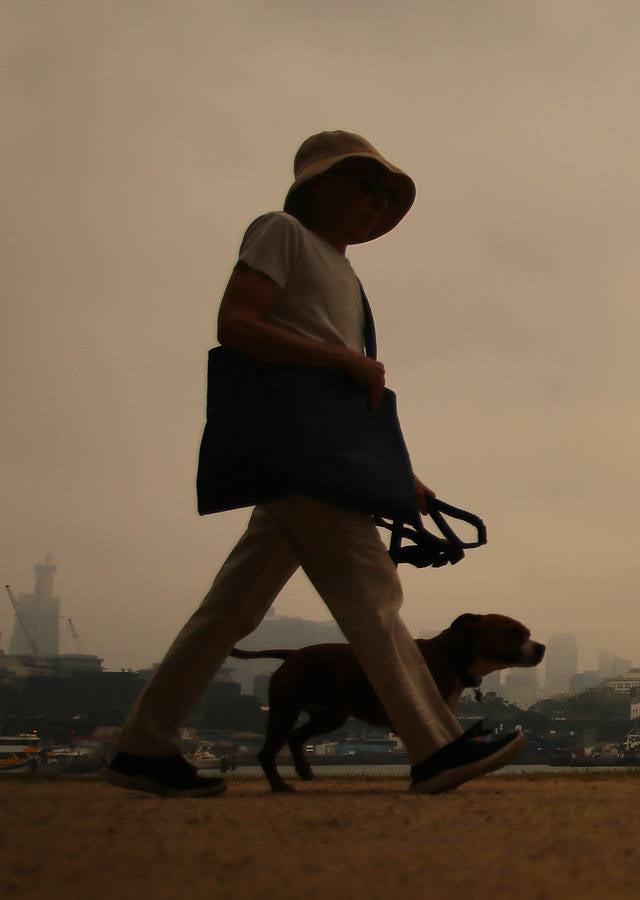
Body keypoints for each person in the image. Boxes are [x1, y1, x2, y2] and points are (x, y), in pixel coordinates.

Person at [102, 131, 523, 797]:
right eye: (364, 184)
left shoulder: (344, 273)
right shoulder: (281, 233)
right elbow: (235, 323)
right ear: (315, 186)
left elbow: (345, 391)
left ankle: (141, 746)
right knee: (373, 594)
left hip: (313, 452)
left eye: (385, 194)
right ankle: (436, 746)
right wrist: (340, 360)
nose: (376, 201)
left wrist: (396, 475)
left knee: (229, 612)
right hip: (302, 452)